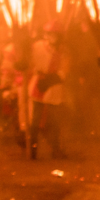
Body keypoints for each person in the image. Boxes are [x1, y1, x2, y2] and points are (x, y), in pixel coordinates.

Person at [30, 21, 70, 159]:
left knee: (55, 121)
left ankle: (55, 149)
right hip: (38, 85)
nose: (52, 37)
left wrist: (50, 80)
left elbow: (64, 73)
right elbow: (29, 62)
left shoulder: (64, 51)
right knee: (35, 120)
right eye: (49, 34)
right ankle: (32, 148)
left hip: (54, 88)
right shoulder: (37, 46)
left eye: (55, 35)